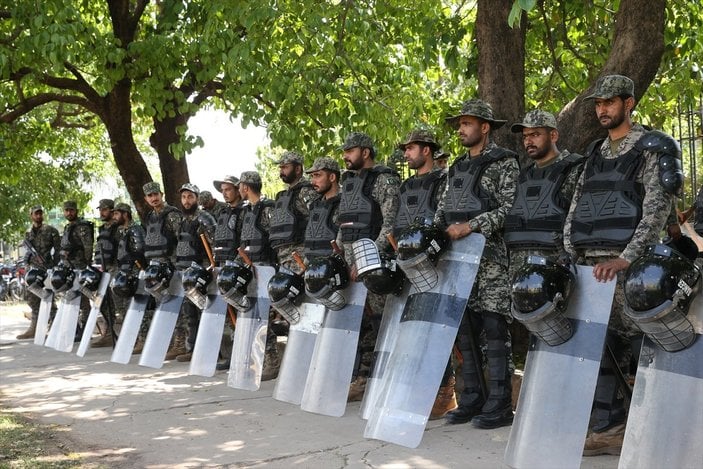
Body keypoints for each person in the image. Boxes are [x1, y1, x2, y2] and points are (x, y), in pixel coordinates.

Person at [562, 75, 676, 455]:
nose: (602, 110)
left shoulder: (649, 146)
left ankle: (655, 428)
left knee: (646, 349)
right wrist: (570, 252)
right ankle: (609, 426)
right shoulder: (594, 152)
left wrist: (627, 258)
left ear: (629, 104)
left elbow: (656, 210)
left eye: (609, 103)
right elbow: (576, 207)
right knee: (600, 349)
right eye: (598, 104)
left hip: (633, 270)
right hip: (591, 271)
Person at [434, 98, 519, 429]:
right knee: (464, 329)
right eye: (459, 124)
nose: (460, 128)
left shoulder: (505, 163)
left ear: (485, 127)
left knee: (496, 330)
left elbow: (511, 208)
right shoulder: (456, 166)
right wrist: (434, 232)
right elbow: (444, 209)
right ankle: (471, 399)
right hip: (457, 261)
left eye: (467, 123)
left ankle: (499, 404)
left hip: (491, 260)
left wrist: (472, 225)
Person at [395, 128, 459, 420]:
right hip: (408, 262)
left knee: (437, 328)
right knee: (416, 328)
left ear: (427, 150)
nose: (406, 153)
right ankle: (426, 389)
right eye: (405, 149)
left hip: (436, 262)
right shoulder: (406, 185)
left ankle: (447, 391)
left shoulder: (445, 180)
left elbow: (443, 219)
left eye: (411, 148)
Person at [335, 131, 401, 401]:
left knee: (380, 323)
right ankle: (362, 379)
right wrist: (342, 254)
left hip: (375, 265)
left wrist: (366, 260)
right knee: (361, 323)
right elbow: (345, 222)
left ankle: (384, 381)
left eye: (350, 151)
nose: (345, 156)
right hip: (351, 265)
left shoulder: (383, 179)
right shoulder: (349, 182)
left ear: (365, 152)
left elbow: (390, 224)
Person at [505, 110, 585, 267]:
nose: (528, 141)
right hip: (518, 268)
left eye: (535, 134)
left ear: (553, 136)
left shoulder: (575, 169)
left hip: (556, 267)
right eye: (525, 136)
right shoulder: (523, 177)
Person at [237, 171, 280, 380]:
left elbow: (275, 238)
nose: (238, 190)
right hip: (251, 267)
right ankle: (258, 359)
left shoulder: (268, 208)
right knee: (254, 316)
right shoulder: (247, 211)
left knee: (266, 317)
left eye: (240, 186)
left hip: (266, 268)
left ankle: (272, 360)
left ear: (246, 187)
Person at [171, 183, 216, 362]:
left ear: (196, 198)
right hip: (184, 271)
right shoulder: (181, 220)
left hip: (201, 271)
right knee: (189, 313)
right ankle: (192, 348)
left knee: (205, 310)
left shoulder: (204, 218)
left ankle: (210, 349)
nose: (186, 201)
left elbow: (214, 244)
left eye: (190, 197)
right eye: (184, 197)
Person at [141, 181, 183, 356]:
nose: (154, 198)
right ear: (146, 199)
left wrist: (177, 265)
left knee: (177, 306)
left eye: (156, 194)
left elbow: (181, 239)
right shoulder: (150, 217)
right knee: (163, 306)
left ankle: (181, 344)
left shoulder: (172, 214)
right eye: (150, 196)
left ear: (161, 194)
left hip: (171, 266)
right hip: (156, 268)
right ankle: (172, 342)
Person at [211, 175, 244, 371]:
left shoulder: (245, 211)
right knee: (228, 314)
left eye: (228, 189)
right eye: (222, 189)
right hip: (222, 264)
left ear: (238, 189)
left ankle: (245, 355)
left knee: (241, 313)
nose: (224, 193)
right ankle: (233, 355)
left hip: (238, 265)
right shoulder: (222, 213)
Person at [269, 151, 319, 273]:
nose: (281, 172)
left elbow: (319, 219)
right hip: (284, 258)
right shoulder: (283, 195)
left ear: (297, 169)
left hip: (301, 256)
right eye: (280, 168)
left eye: (285, 167)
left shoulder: (306, 191)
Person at [17, 205, 61, 340]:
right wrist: (28, 261)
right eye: (36, 214)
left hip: (46, 269)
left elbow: (59, 250)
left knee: (49, 298)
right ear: (31, 215)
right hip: (32, 271)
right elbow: (26, 252)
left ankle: (55, 328)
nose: (38, 216)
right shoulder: (28, 233)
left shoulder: (51, 231)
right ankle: (34, 327)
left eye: (40, 213)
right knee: (32, 298)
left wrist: (53, 264)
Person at [59, 200, 95, 339]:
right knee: (72, 299)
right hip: (70, 267)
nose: (69, 213)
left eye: (71, 210)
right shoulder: (69, 227)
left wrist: (86, 264)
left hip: (80, 267)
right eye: (67, 210)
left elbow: (88, 246)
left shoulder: (82, 226)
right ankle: (76, 329)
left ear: (76, 211)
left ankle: (85, 330)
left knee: (84, 300)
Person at [91, 199, 121, 347]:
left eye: (104, 209)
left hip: (116, 268)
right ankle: (109, 333)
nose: (102, 212)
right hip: (104, 268)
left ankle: (129, 335)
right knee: (102, 301)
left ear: (112, 210)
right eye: (100, 210)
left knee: (119, 302)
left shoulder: (118, 228)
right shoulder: (102, 229)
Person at [302, 157, 342, 261]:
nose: (312, 181)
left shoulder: (345, 202)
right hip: (313, 270)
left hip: (336, 268)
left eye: (317, 175)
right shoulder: (315, 205)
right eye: (312, 176)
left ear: (332, 177)